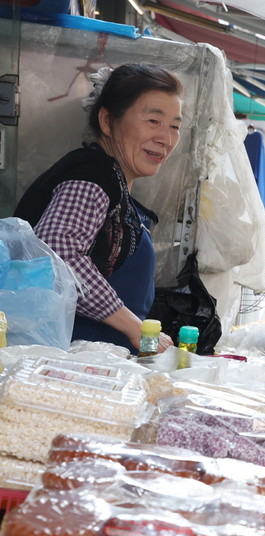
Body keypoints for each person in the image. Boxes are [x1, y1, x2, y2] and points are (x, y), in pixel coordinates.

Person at [15, 63, 183, 354]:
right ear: (107, 121)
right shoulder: (93, 175)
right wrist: (134, 326)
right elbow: (57, 252)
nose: (166, 139)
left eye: (175, 126)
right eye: (153, 121)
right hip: (63, 362)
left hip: (94, 362)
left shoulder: (112, 181)